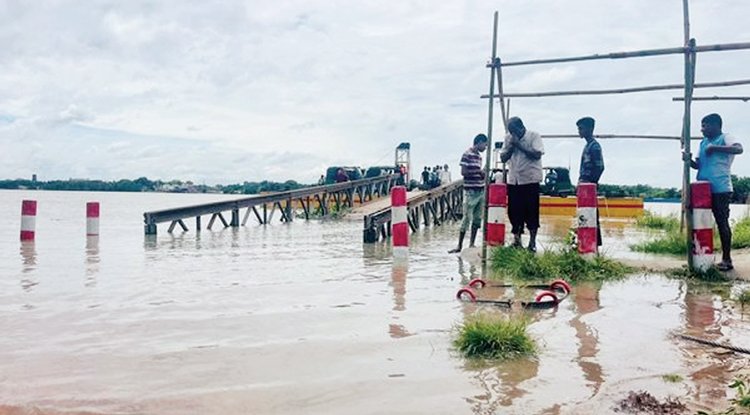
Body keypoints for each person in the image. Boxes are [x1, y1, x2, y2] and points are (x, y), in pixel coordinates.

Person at [685, 113, 744, 271]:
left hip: (720, 189)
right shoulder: (703, 143)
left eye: (705, 125)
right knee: (699, 222)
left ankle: (727, 259)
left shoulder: (726, 137)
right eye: (702, 126)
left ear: (716, 125)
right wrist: (688, 160)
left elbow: (739, 149)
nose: (702, 129)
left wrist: (716, 148)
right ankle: (701, 258)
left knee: (722, 223)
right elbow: (698, 165)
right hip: (702, 189)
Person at [499, 117, 544, 252]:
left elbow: (537, 154)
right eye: (510, 131)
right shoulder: (508, 138)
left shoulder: (534, 136)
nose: (512, 134)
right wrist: (512, 147)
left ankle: (532, 242)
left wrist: (519, 145)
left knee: (531, 212)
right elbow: (503, 158)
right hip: (514, 180)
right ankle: (517, 241)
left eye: (514, 131)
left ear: (521, 128)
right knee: (514, 212)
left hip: (530, 180)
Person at [448, 133, 489, 253]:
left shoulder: (479, 157)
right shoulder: (467, 154)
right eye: (485, 145)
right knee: (466, 219)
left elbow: (477, 174)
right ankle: (459, 246)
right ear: (479, 142)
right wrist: (478, 171)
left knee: (477, 219)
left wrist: (482, 175)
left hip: (480, 190)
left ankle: (471, 243)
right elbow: (464, 172)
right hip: (470, 192)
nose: (485, 148)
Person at [577, 116, 605, 247]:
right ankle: (587, 244)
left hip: (589, 186)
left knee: (591, 215)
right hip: (584, 186)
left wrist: (591, 183)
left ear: (590, 129)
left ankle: (593, 245)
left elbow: (600, 167)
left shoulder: (594, 147)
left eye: (581, 128)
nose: (579, 131)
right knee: (585, 215)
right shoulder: (587, 146)